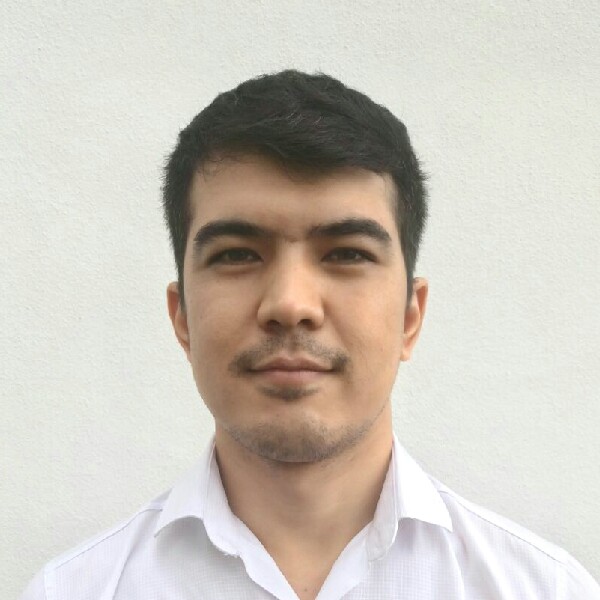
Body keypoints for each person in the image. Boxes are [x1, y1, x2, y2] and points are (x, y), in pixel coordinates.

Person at [21, 69, 599, 600]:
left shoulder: (546, 589)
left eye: (347, 253)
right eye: (238, 254)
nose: (290, 304)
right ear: (182, 318)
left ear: (410, 316)